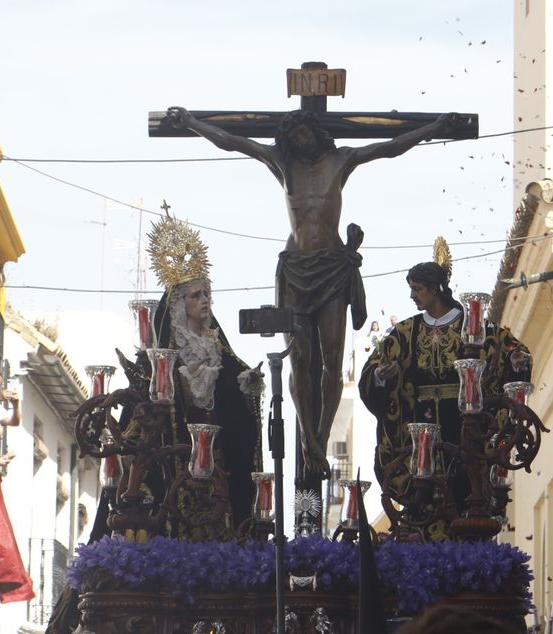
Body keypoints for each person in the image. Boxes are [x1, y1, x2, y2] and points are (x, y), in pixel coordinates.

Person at [165, 105, 457, 484]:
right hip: (296, 270)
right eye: (293, 137)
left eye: (303, 134)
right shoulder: (283, 164)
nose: (299, 141)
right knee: (299, 359)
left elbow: (390, 147)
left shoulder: (341, 160)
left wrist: (433, 126)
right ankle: (308, 441)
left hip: (332, 268)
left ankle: (320, 435)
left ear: (316, 133)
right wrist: (191, 123)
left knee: (333, 358)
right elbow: (234, 141)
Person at [359, 252, 530, 539]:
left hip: (464, 422)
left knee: (466, 486)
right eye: (411, 289)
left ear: (436, 288)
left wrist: (516, 362)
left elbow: (510, 350)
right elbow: (372, 370)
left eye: (417, 289)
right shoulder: (404, 333)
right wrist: (380, 376)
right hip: (420, 425)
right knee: (423, 493)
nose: (412, 295)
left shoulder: (475, 328)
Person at [143, 215, 266, 539]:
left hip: (217, 450)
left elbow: (235, 382)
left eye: (206, 294)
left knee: (220, 501)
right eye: (195, 295)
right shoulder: (169, 350)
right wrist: (185, 380)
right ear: (179, 304)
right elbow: (160, 393)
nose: (204, 300)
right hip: (180, 448)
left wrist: (248, 383)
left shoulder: (216, 346)